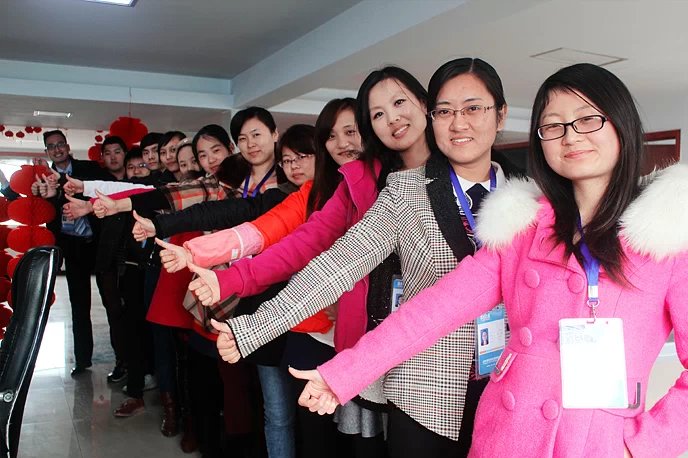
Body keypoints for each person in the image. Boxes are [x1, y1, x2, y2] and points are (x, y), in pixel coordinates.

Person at [287, 63, 688, 457]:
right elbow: (431, 311)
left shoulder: (668, 234)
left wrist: (641, 447)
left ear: (622, 123)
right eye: (553, 125)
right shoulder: (522, 227)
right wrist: (343, 373)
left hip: (597, 445)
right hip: (505, 438)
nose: (570, 137)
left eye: (587, 119)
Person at [202, 58, 524, 457]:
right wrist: (254, 327)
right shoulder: (403, 191)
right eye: (445, 111)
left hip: (505, 388)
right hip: (427, 393)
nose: (459, 123)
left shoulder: (532, 196)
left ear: (500, 114)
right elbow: (337, 265)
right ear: (432, 115)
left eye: (473, 108)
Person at [38, 129, 112, 376]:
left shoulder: (89, 169)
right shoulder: (43, 177)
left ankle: (123, 360)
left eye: (60, 144)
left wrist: (62, 185)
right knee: (79, 306)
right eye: (51, 146)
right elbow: (35, 205)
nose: (57, 149)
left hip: (98, 244)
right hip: (71, 247)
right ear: (47, 151)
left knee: (111, 302)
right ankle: (82, 360)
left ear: (68, 147)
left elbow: (103, 192)